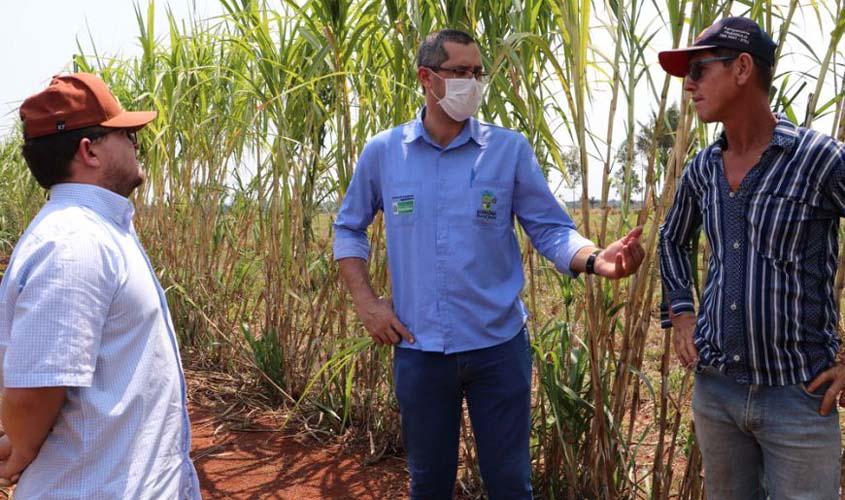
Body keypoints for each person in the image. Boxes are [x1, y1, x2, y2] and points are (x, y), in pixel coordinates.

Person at [333, 29, 645, 499]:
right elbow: (347, 227)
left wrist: (597, 259)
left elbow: (549, 228)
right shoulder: (384, 153)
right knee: (428, 483)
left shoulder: (508, 150)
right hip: (420, 350)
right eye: (460, 72)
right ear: (426, 78)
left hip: (498, 348)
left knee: (509, 484)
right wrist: (367, 302)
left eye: (478, 73)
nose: (473, 83)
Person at [659, 16, 845, 499]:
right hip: (717, 392)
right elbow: (672, 238)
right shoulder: (702, 170)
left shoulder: (817, 159)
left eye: (699, 70)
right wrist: (681, 312)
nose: (689, 86)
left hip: (800, 398)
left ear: (743, 68)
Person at [0, 73, 200, 499]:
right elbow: (31, 392)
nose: (136, 144)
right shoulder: (75, 243)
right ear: (89, 151)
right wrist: (22, 447)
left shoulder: (95, 231)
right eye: (126, 134)